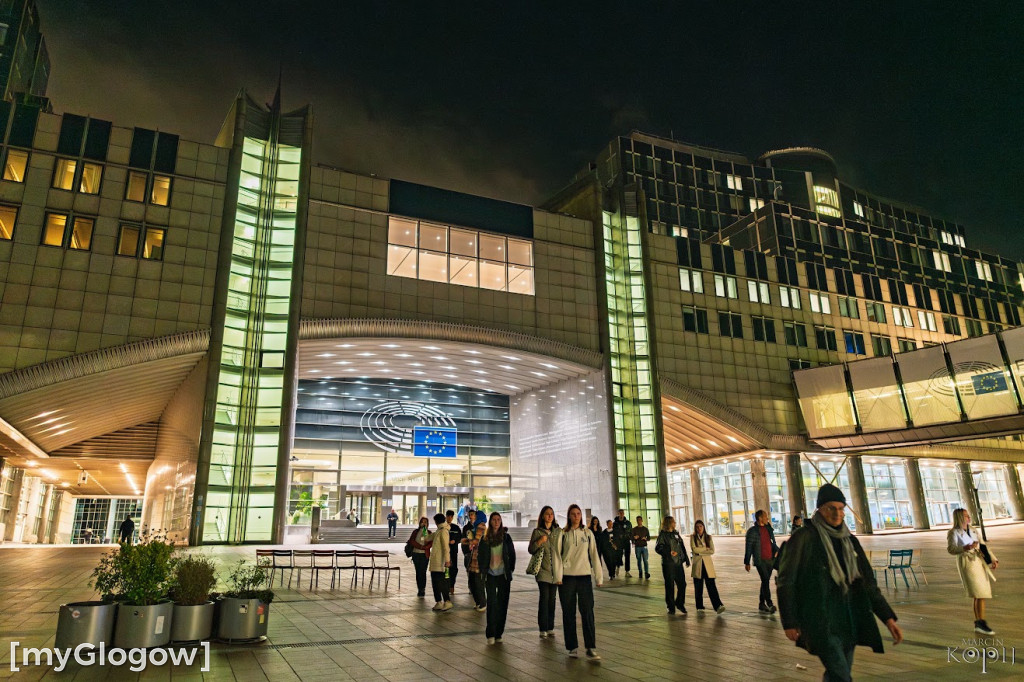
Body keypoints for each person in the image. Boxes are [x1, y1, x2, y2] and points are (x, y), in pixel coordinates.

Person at [778, 484, 903, 682]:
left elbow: (868, 584)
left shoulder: (849, 541)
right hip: (820, 621)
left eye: (841, 508)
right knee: (842, 675)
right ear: (819, 509)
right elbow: (786, 581)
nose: (837, 513)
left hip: (849, 619)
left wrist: (888, 619)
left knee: (837, 674)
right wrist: (790, 621)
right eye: (831, 508)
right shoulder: (804, 538)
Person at [552, 504, 603, 661]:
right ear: (568, 516)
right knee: (568, 612)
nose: (576, 516)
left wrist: (598, 577)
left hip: (584, 577)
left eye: (578, 513)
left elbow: (594, 554)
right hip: (567, 578)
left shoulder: (587, 533)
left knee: (587, 611)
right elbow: (556, 556)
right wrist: (558, 577)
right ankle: (572, 646)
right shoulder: (562, 533)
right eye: (573, 514)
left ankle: (590, 647)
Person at [947, 507, 999, 635]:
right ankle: (980, 622)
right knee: (978, 592)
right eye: (965, 515)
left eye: (968, 515)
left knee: (982, 593)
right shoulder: (954, 532)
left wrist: (993, 559)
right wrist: (964, 547)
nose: (968, 517)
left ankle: (980, 622)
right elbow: (951, 549)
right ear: (959, 517)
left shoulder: (973, 530)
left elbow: (982, 545)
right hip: (968, 564)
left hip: (979, 563)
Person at [478, 512, 516, 644]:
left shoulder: (506, 537)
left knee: (502, 604)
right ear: (490, 522)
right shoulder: (485, 539)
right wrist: (483, 572)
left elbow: (512, 554)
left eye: (498, 520)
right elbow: (481, 556)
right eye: (494, 519)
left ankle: (499, 633)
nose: (496, 522)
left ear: (501, 522)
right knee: (492, 604)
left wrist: (510, 569)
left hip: (503, 575)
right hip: (491, 575)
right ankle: (490, 634)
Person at [528, 505, 559, 638]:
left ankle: (550, 626)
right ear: (542, 516)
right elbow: (531, 549)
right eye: (547, 514)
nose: (550, 516)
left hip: (555, 571)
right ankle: (543, 628)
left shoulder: (557, 531)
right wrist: (540, 541)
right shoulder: (537, 532)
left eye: (551, 514)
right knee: (544, 598)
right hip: (542, 571)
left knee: (552, 599)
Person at [744, 509, 779, 613]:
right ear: (760, 518)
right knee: (765, 580)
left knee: (765, 581)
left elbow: (773, 543)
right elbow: (748, 547)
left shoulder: (769, 529)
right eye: (765, 516)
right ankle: (770, 603)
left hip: (770, 559)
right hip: (760, 560)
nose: (767, 518)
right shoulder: (752, 531)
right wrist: (747, 562)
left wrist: (778, 550)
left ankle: (761, 603)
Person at [654, 515, 690, 614]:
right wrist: (669, 552)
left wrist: (686, 559)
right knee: (669, 585)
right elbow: (658, 548)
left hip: (678, 563)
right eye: (673, 522)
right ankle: (671, 606)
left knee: (682, 584)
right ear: (669, 523)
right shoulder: (663, 535)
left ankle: (679, 603)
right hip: (668, 563)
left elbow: (681, 546)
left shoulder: (676, 534)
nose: (675, 523)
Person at [690, 519, 724, 614]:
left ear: (704, 527)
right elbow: (694, 549)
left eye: (701, 526)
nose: (699, 528)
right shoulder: (693, 537)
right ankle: (699, 606)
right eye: (697, 527)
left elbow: (712, 550)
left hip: (707, 565)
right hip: (698, 565)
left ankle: (718, 605)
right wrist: (705, 549)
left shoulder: (708, 537)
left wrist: (700, 551)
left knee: (711, 585)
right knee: (698, 586)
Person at [427, 513, 452, 612]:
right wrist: (424, 529)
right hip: (435, 562)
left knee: (442, 582)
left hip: (440, 563)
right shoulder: (438, 531)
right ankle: (438, 601)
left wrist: (447, 561)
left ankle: (447, 601)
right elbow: (427, 538)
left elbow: (446, 547)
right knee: (435, 582)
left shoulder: (443, 531)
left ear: (437, 521)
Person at [462, 520, 487, 611]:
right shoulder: (475, 528)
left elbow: (475, 541)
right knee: (473, 582)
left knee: (478, 583)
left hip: (477, 562)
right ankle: (478, 602)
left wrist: (468, 540)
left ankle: (482, 603)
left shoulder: (481, 526)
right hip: (473, 560)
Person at [407, 517, 432, 597]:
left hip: (425, 555)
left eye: (425, 522)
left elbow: (430, 542)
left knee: (423, 572)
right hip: (416, 554)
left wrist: (425, 547)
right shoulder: (416, 532)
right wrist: (420, 547)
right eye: (422, 522)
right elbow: (412, 541)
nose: (424, 523)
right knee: (418, 572)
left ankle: (422, 589)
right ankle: (419, 588)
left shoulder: (428, 532)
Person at [445, 510, 462, 595]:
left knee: (454, 569)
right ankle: (446, 585)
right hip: (445, 552)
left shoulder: (456, 528)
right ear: (446, 516)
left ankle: (452, 585)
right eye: (448, 516)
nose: (450, 518)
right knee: (446, 569)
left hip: (454, 552)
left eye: (451, 516)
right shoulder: (443, 527)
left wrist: (455, 541)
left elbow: (460, 538)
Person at [612, 509, 633, 577]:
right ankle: (617, 567)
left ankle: (627, 571)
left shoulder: (628, 523)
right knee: (618, 556)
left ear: (624, 514)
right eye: (620, 513)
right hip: (618, 542)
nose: (621, 514)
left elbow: (631, 532)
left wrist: (632, 540)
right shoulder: (615, 523)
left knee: (627, 556)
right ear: (618, 513)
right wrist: (614, 542)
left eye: (622, 513)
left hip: (626, 541)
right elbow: (613, 533)